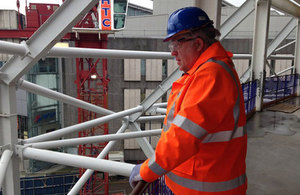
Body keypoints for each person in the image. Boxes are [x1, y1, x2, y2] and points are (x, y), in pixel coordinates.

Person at [129, 7, 247, 195]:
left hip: (203, 189)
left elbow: (182, 138)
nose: (172, 53)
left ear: (198, 44)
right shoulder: (209, 71)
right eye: (171, 46)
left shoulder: (211, 76)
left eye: (177, 45)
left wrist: (145, 171)